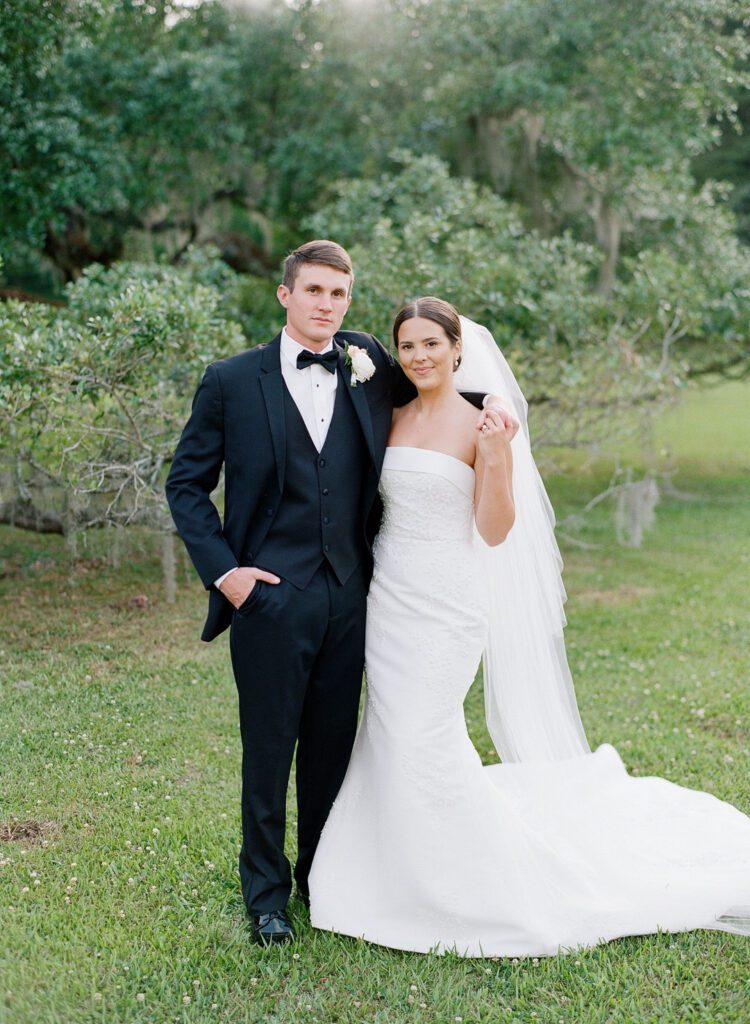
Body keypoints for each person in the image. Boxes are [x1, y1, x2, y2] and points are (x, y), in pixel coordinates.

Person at [308, 296, 750, 957]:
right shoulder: (388, 414)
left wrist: (497, 457)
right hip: (390, 597)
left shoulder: (483, 424)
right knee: (387, 730)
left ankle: (481, 885)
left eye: (432, 343)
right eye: (408, 345)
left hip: (447, 603)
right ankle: (385, 871)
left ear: (459, 350)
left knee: (426, 734)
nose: (420, 355)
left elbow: (494, 529)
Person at [165, 243, 512, 945]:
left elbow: (435, 385)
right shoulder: (231, 381)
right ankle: (265, 897)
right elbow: (186, 484)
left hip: (357, 597)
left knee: (332, 747)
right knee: (269, 748)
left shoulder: (366, 367)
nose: (328, 304)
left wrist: (495, 401)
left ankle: (320, 873)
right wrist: (226, 573)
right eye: (315, 290)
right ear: (285, 294)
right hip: (267, 596)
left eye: (340, 294)